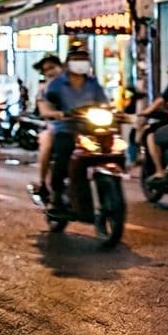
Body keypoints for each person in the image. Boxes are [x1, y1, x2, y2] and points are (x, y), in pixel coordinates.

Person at [40, 49, 109, 212]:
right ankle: (56, 196)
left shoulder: (93, 83)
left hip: (91, 128)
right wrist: (55, 113)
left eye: (84, 60)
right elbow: (47, 104)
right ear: (68, 64)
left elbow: (104, 103)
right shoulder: (56, 84)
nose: (81, 63)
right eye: (77, 59)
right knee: (63, 156)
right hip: (66, 128)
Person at [31, 55, 64, 200]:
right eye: (46, 70)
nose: (50, 72)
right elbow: (44, 111)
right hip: (54, 126)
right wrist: (58, 114)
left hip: (79, 125)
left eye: (52, 67)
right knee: (47, 143)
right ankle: (43, 182)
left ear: (60, 67)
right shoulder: (43, 90)